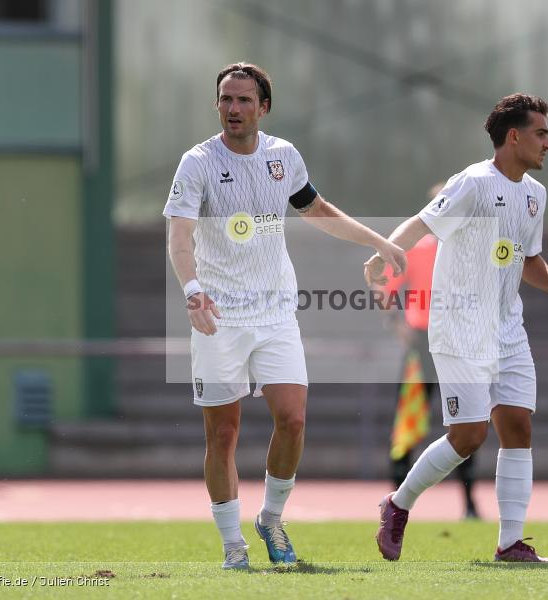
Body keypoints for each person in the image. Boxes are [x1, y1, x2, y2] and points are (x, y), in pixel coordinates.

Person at [164, 62, 406, 570]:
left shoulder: (283, 157)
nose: (233, 109)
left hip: (275, 311)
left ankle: (271, 518)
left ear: (264, 107)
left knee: (293, 420)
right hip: (220, 314)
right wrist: (193, 291)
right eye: (226, 100)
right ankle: (233, 545)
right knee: (223, 434)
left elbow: (317, 210)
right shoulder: (197, 162)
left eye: (244, 100)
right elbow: (180, 237)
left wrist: (380, 240)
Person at [365, 93, 548, 563]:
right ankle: (397, 504)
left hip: (507, 328)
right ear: (514, 136)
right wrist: (382, 254)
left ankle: (510, 543)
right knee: (468, 436)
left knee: (518, 426)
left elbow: (529, 260)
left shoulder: (535, 195)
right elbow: (422, 223)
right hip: (458, 328)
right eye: (541, 133)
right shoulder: (472, 183)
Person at [381, 182, 480, 520]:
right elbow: (386, 289)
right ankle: (396, 501)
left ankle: (469, 504)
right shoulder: (419, 250)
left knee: (468, 419)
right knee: (409, 420)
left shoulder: (470, 251)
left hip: (457, 342)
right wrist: (399, 325)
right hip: (423, 341)